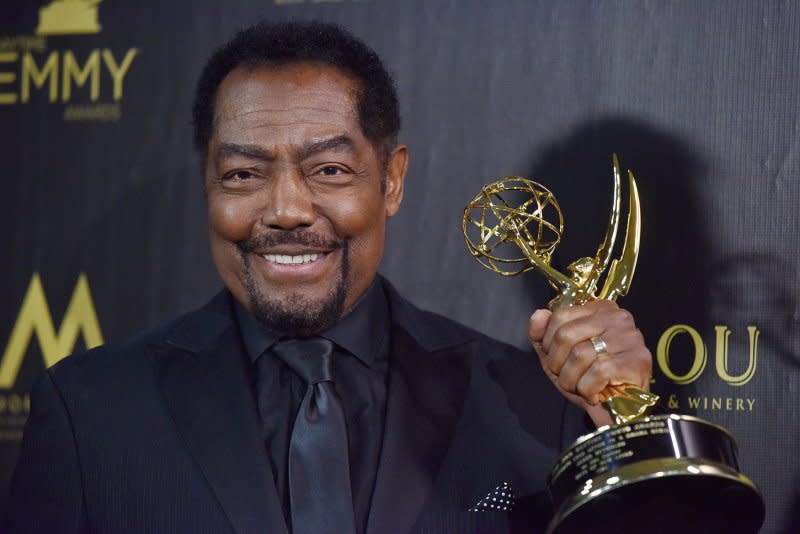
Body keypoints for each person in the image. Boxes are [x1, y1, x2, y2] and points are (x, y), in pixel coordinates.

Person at [6, 21, 652, 534]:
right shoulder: (91, 411)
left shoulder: (532, 407)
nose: (286, 210)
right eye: (243, 175)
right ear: (208, 182)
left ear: (390, 179)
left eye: (329, 171)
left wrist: (629, 434)